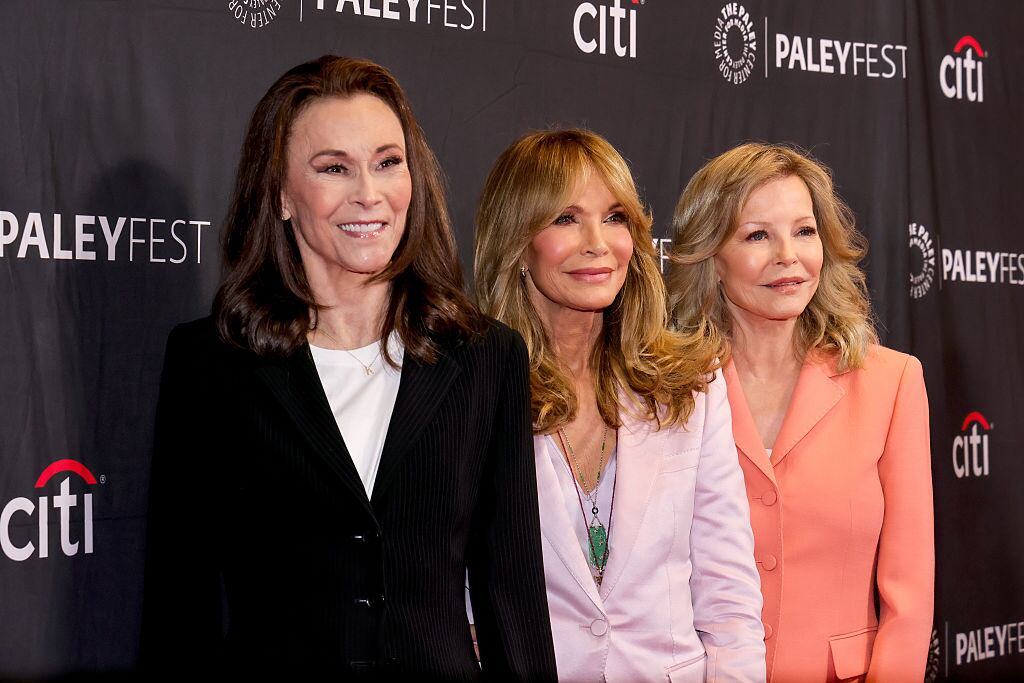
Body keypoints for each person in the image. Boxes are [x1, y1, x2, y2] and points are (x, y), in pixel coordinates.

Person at [142, 55, 556, 680]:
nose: (369, 193)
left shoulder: (484, 358)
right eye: (334, 168)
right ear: (280, 194)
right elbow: (181, 604)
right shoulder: (213, 364)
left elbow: (511, 591)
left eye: (388, 163)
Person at [474, 129, 765, 683]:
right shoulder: (473, 392)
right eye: (565, 218)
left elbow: (728, 594)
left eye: (615, 218)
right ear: (515, 242)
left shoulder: (691, 384)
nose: (597, 242)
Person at [667, 142, 934, 682]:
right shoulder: (667, 389)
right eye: (757, 234)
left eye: (804, 231)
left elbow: (909, 600)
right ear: (710, 256)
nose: (788, 255)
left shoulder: (891, 382)